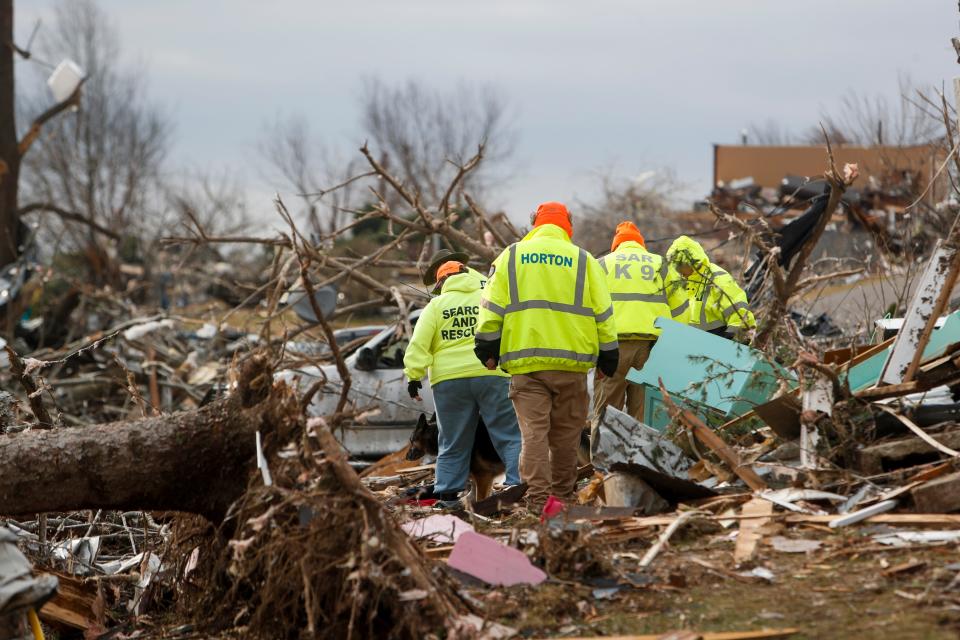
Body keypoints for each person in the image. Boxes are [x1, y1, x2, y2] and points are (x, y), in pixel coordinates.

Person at [475, 201, 619, 512]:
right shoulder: (584, 260)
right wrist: (609, 355)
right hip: (572, 366)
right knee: (567, 438)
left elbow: (491, 307)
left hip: (527, 366)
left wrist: (486, 347)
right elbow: (604, 313)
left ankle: (539, 504)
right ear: (568, 226)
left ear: (534, 225)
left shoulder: (511, 257)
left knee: (534, 436)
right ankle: (563, 500)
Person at [403, 260, 521, 507]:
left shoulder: (436, 306)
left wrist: (414, 376)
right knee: (509, 435)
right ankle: (517, 486)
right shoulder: (489, 296)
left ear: (442, 282)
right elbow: (511, 330)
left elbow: (418, 343)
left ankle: (447, 496)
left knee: (452, 440)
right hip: (492, 372)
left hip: (449, 380)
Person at [594, 221, 690, 424]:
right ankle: (640, 456)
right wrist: (672, 346)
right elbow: (682, 309)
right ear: (641, 244)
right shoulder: (661, 264)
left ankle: (605, 456)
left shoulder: (601, 265)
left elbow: (588, 309)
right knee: (645, 417)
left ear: (616, 245)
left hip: (613, 349)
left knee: (606, 415)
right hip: (651, 350)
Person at [666, 235, 756, 341]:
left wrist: (731, 343)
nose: (678, 270)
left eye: (679, 266)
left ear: (690, 262)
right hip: (691, 347)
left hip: (716, 345)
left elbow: (741, 316)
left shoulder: (718, 279)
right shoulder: (681, 283)